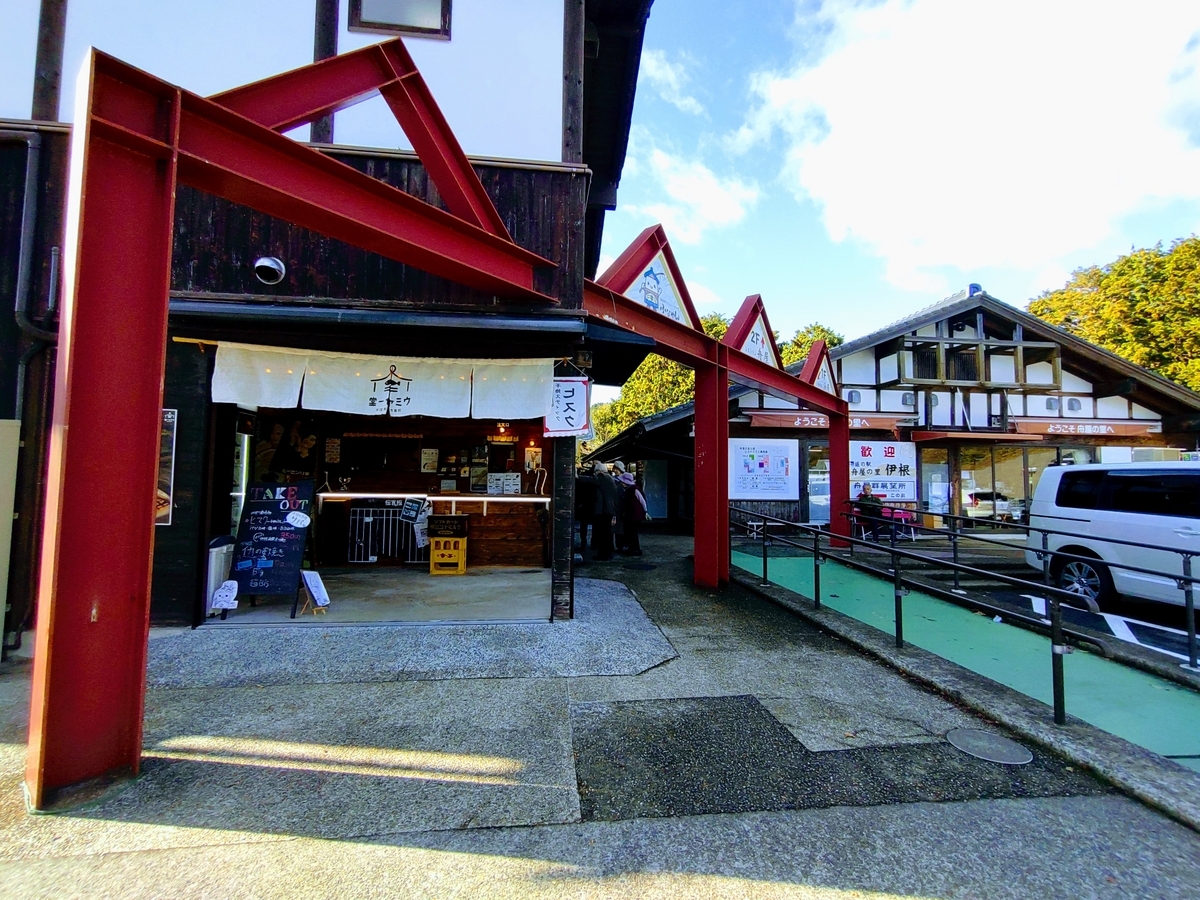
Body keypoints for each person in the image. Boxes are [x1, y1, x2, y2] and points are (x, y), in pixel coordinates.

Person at [591, 462, 618, 561]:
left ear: (599, 471)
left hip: (603, 510)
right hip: (609, 509)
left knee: (602, 534)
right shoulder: (610, 478)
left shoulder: (602, 477)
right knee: (607, 534)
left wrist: (577, 476)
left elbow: (593, 481)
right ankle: (607, 553)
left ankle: (603, 554)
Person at [618, 471, 647, 556]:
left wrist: (645, 511)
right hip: (631, 514)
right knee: (630, 532)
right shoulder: (631, 489)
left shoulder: (634, 489)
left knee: (632, 533)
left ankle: (635, 549)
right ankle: (632, 548)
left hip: (634, 515)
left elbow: (642, 501)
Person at [611, 461, 627, 552]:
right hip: (619, 506)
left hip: (620, 507)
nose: (615, 471)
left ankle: (620, 545)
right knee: (618, 528)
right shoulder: (619, 481)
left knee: (619, 528)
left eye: (617, 469)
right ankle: (620, 545)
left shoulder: (618, 482)